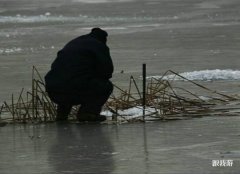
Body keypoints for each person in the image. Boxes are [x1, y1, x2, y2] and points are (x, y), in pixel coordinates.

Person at [45, 28, 114, 122]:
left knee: (68, 80)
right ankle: (88, 113)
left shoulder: (74, 42)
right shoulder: (99, 45)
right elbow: (107, 71)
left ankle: (62, 115)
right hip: (75, 87)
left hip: (53, 88)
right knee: (106, 86)